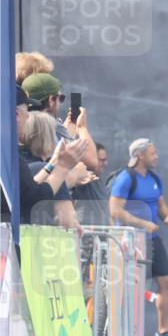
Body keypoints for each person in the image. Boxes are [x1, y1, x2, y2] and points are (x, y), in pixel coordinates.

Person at [109, 138, 168, 336]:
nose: (156, 156)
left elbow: (160, 204)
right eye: (153, 153)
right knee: (130, 288)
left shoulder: (154, 178)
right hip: (130, 241)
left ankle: (163, 332)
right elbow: (115, 211)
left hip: (152, 239)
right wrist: (141, 223)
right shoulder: (126, 179)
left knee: (167, 281)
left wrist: (167, 217)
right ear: (140, 155)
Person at [1, 87, 86, 231]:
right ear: (16, 114)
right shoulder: (7, 153)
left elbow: (27, 189)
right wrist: (63, 167)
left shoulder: (10, 153)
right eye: (26, 111)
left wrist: (54, 163)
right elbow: (34, 197)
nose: (28, 117)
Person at [21, 72, 99, 171]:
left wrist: (65, 133)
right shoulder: (51, 126)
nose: (60, 102)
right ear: (51, 100)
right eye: (60, 98)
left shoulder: (19, 123)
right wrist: (81, 127)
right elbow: (91, 162)